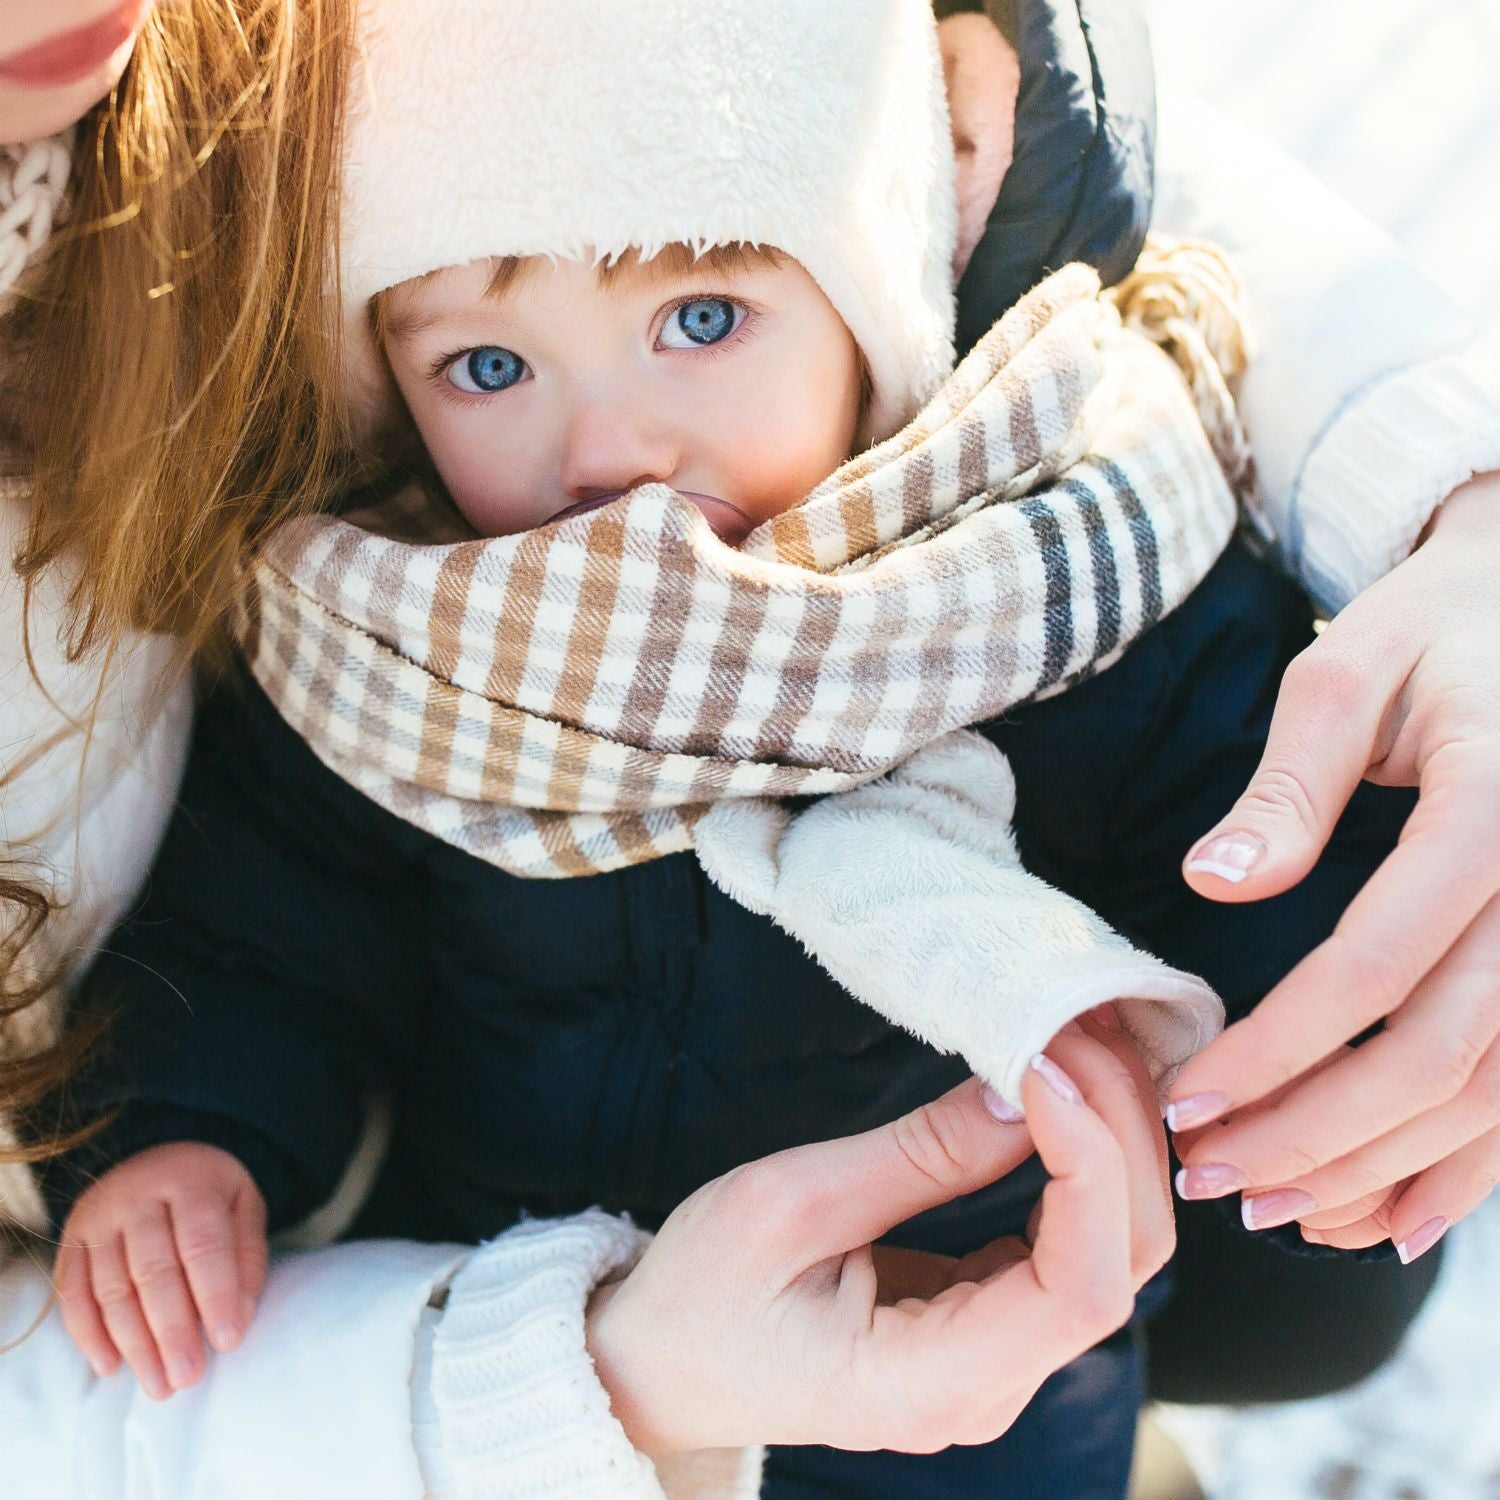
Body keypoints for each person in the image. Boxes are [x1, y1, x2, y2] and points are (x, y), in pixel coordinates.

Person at [0, 0, 1496, 1492]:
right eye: (487, 367)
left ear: (884, 299)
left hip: (981, 1355)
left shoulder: (1060, 588)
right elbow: (268, 932)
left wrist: (1341, 1026)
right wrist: (194, 1136)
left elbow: (1254, 840)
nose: (606, 452)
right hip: (539, 1352)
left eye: (700, 322)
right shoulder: (414, 653)